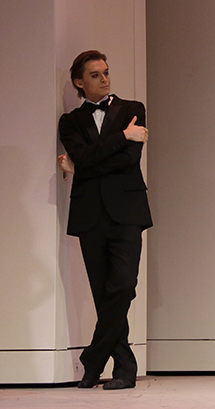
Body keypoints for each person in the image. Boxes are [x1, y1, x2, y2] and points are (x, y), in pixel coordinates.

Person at [58, 50, 152, 390]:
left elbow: (127, 161)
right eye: (96, 75)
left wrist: (85, 165)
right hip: (90, 213)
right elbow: (81, 156)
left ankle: (93, 359)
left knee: (123, 286)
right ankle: (124, 369)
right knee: (103, 292)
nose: (105, 78)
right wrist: (121, 138)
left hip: (127, 211)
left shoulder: (132, 109)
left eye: (107, 72)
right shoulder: (70, 122)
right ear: (80, 83)